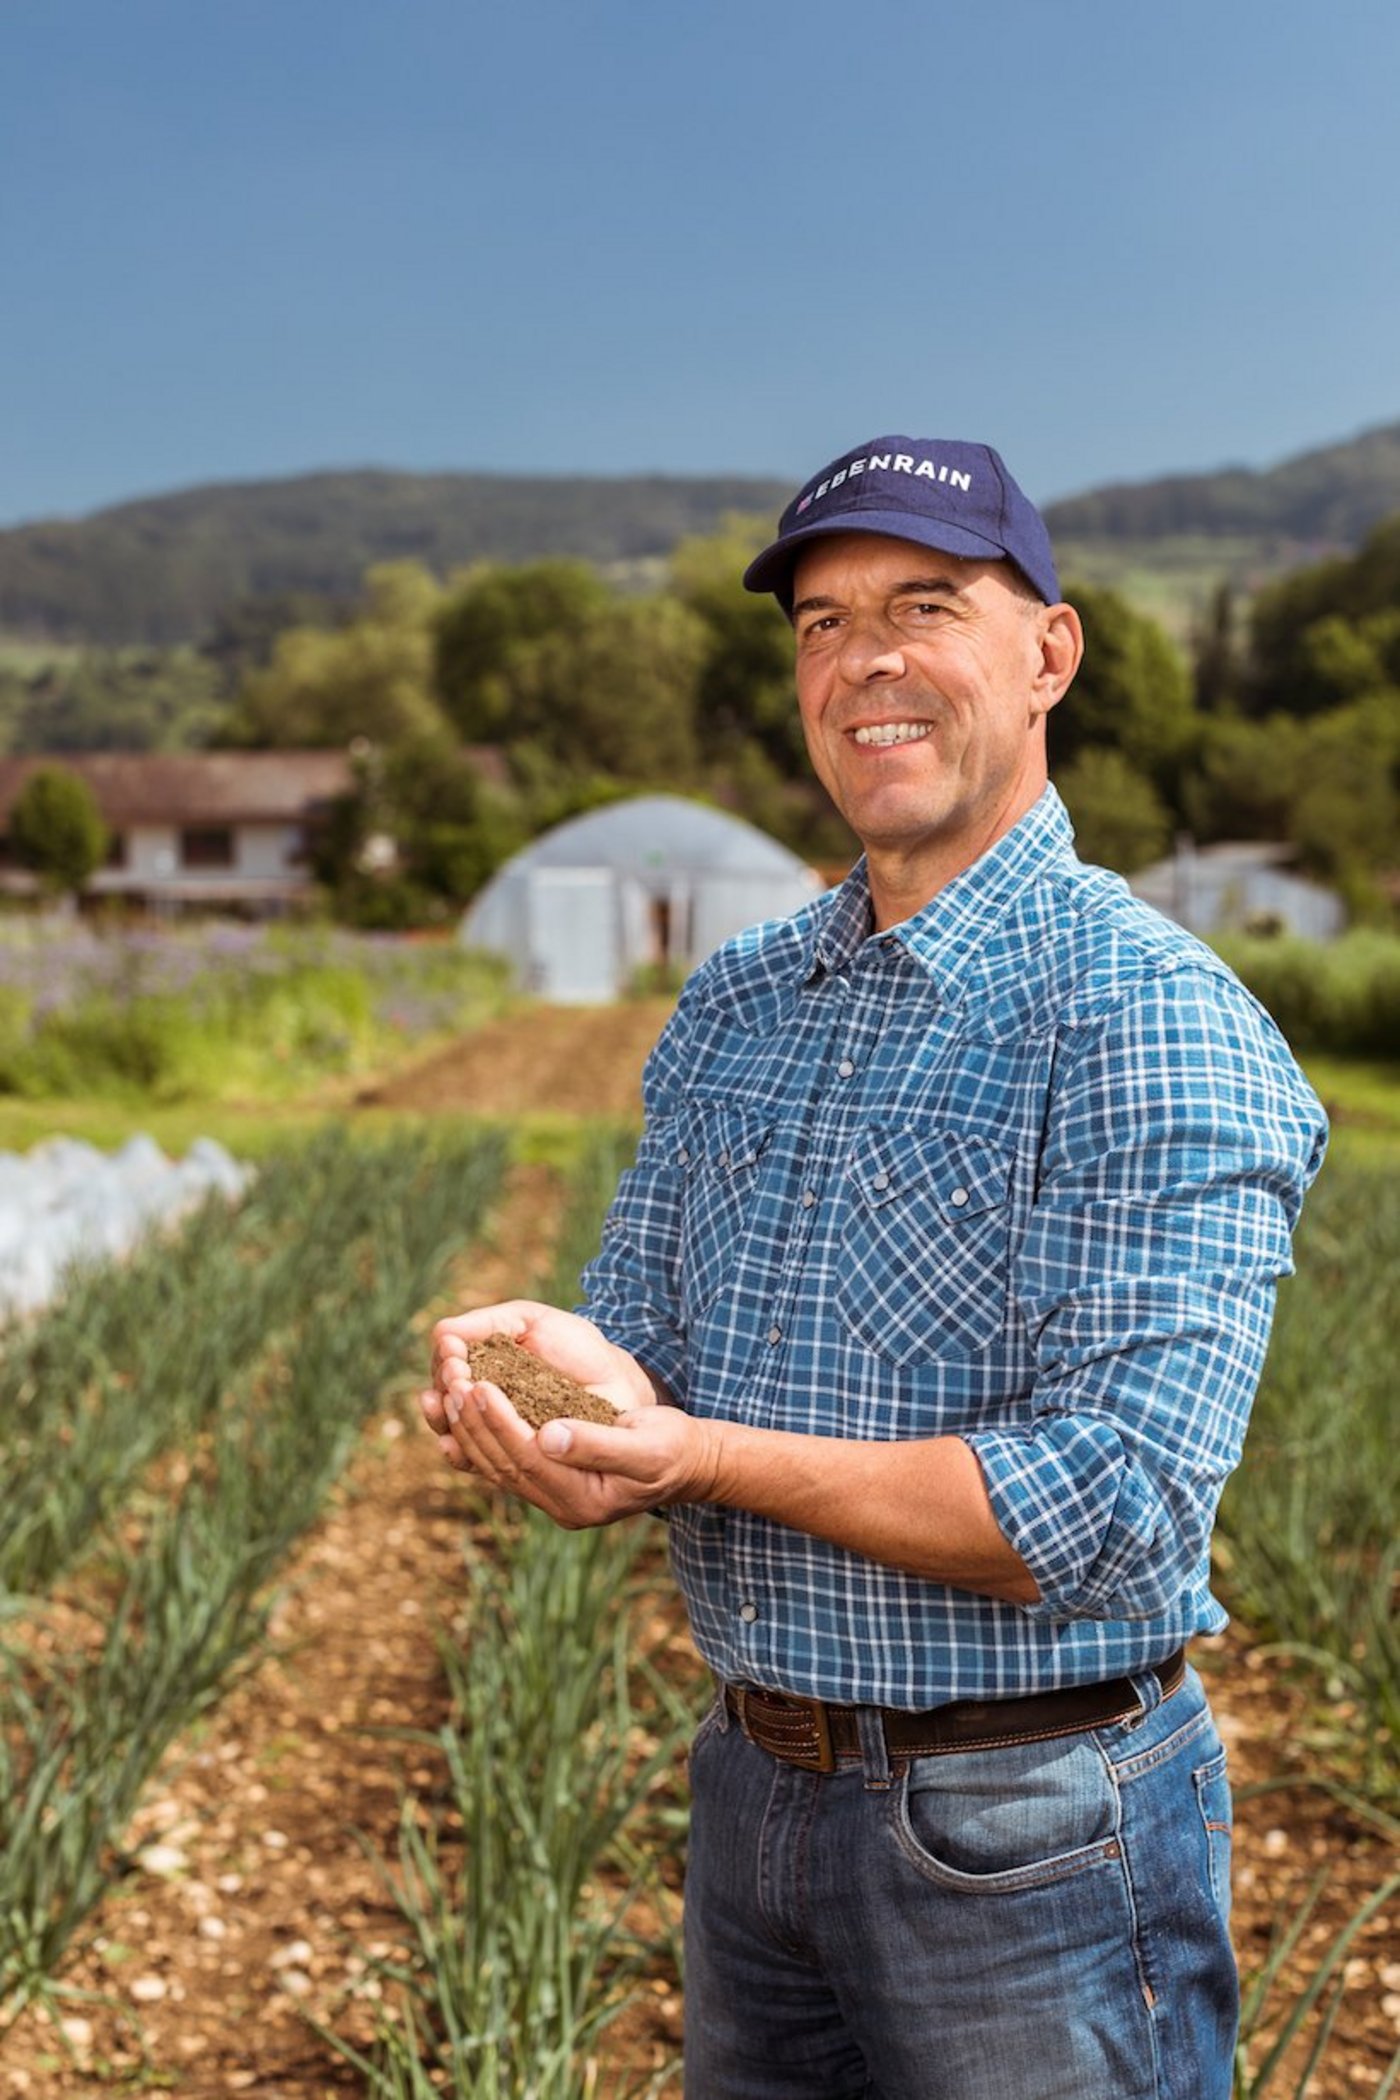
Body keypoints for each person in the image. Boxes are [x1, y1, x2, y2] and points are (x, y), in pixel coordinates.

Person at [423, 435, 1328, 2100]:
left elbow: (1117, 1504)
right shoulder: (742, 998)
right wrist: (578, 1390)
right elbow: (648, 1339)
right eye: (823, 624)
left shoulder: (1145, 1015)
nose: (865, 662)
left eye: (925, 607)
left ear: (1049, 654)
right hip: (754, 1794)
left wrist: (699, 1458)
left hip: (1032, 1838)